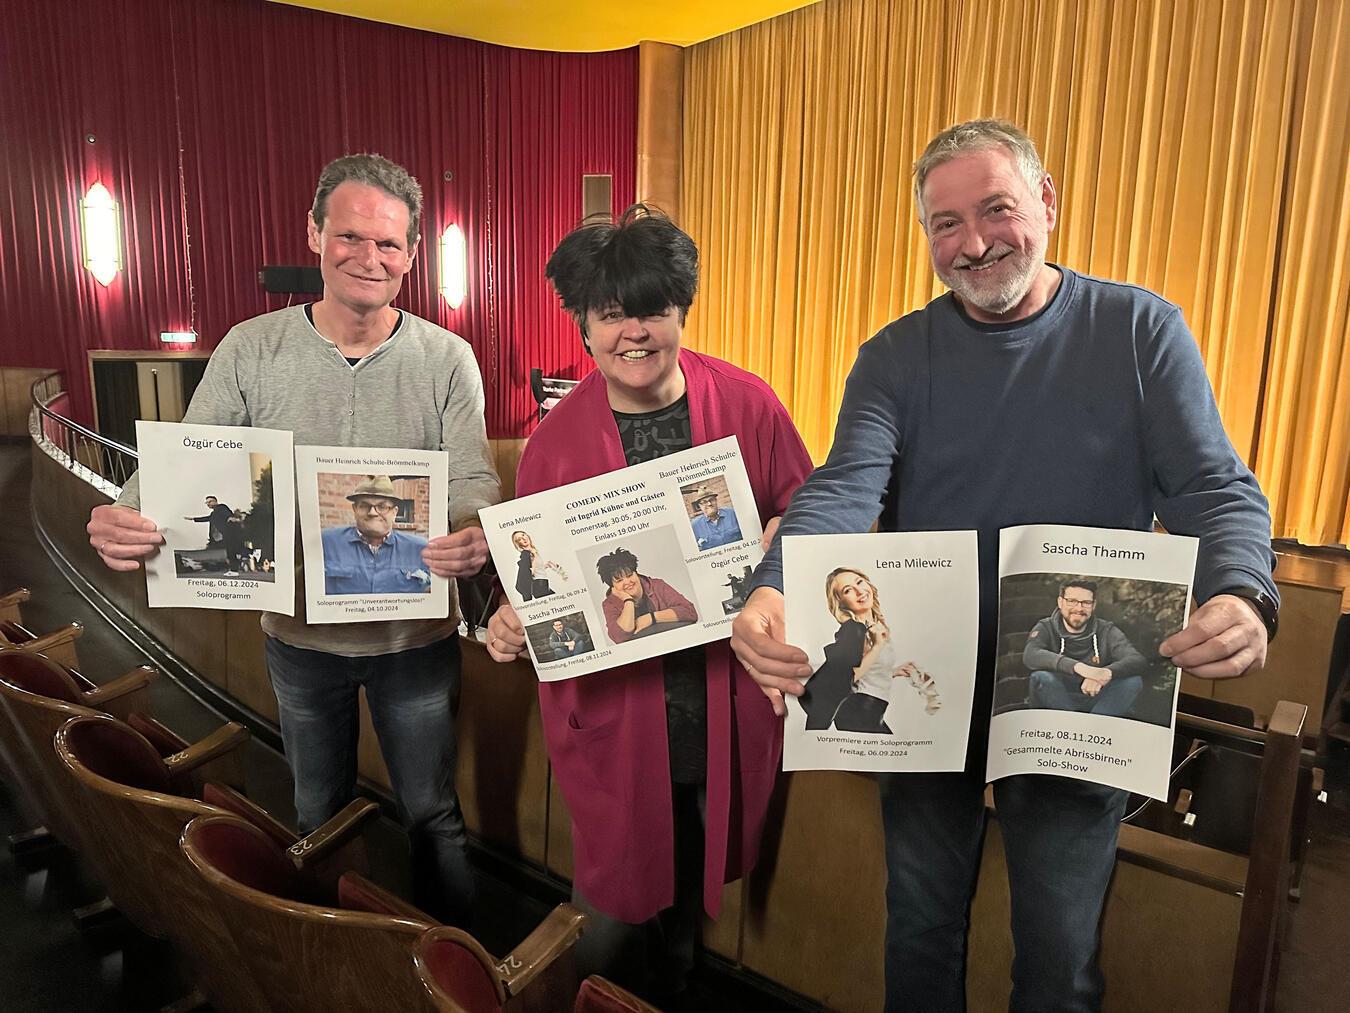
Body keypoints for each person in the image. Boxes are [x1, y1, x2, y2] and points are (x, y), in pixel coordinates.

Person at [730, 119, 1278, 1012]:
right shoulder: (895, 356)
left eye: (996, 210)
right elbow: (842, 487)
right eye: (946, 224)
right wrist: (771, 588)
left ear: (1048, 205)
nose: (974, 242)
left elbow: (1214, 488)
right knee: (918, 924)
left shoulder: (1141, 329)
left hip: (1072, 701)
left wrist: (1243, 590)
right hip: (928, 683)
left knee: (1059, 953)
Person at [86, 153, 500, 926]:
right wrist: (130, 508)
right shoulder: (251, 347)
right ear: (314, 234)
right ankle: (328, 958)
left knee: (432, 817)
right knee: (319, 814)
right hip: (299, 637)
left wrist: (472, 532)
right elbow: (190, 452)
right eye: (349, 236)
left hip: (415, 638)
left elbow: (473, 479)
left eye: (388, 244)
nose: (367, 257)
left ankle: (456, 967)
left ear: (411, 255)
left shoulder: (448, 358)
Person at [483, 205, 813, 1002]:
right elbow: (536, 575)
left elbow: (809, 508)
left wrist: (782, 529)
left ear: (682, 311)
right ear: (584, 324)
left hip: (720, 700)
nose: (635, 332)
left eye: (654, 310)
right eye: (611, 314)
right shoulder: (556, 444)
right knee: (612, 903)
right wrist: (508, 616)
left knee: (698, 875)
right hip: (618, 714)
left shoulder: (747, 403)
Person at [811, 567, 939, 734]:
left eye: (859, 582)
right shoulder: (854, 630)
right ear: (841, 602)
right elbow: (846, 676)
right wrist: (878, 646)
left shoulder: (876, 626)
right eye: (848, 590)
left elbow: (864, 670)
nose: (859, 591)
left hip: (871, 710)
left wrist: (891, 672)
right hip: (859, 711)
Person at [1023, 580, 1146, 717]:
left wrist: (1105, 673)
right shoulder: (1046, 627)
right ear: (1060, 602)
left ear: (1093, 605)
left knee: (1133, 682)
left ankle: (1092, 725)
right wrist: (1082, 669)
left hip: (1096, 700)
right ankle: (1071, 724)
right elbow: (1031, 654)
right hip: (1056, 698)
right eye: (1072, 601)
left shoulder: (1107, 630)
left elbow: (1136, 659)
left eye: (1086, 603)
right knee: (1041, 677)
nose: (1079, 608)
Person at [321, 475, 430, 595]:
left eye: (382, 506)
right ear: (354, 509)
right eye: (364, 506)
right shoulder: (326, 544)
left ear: (395, 512)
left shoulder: (422, 550)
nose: (372, 512)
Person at [596, 547, 697, 644]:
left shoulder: (657, 585)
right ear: (612, 586)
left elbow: (690, 612)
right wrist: (628, 601)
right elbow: (619, 636)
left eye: (630, 575)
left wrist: (651, 618)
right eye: (619, 580)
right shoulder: (609, 604)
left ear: (636, 573)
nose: (627, 582)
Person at [185, 495, 244, 575]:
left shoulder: (221, 507)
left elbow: (227, 512)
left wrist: (230, 517)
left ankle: (234, 570)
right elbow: (207, 518)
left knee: (231, 551)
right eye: (207, 503)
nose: (208, 504)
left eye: (210, 502)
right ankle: (234, 569)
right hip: (226, 534)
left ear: (215, 501)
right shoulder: (213, 514)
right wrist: (194, 519)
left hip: (230, 531)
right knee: (231, 551)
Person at [510, 530, 565, 601]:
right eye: (519, 539)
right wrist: (535, 556)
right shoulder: (525, 554)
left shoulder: (533, 550)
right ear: (518, 543)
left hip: (543, 583)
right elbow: (531, 573)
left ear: (527, 535)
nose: (523, 539)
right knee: (559, 601)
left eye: (523, 535)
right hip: (539, 584)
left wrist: (546, 565)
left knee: (559, 600)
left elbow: (536, 569)